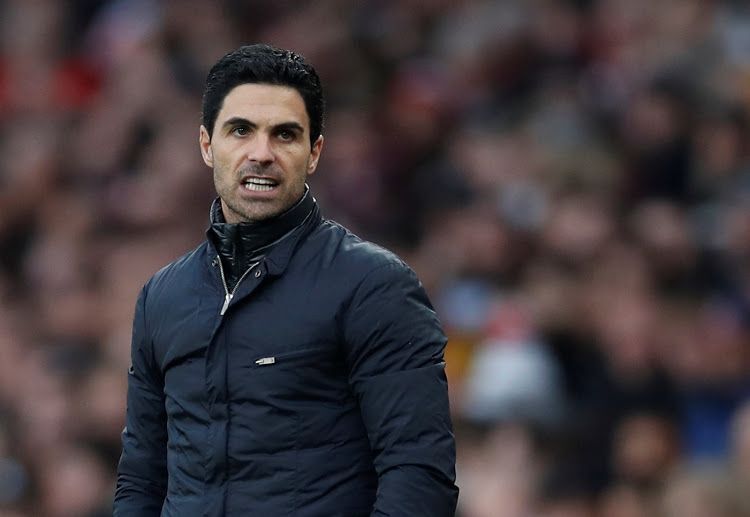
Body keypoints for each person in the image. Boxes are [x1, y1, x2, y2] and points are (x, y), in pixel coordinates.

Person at [113, 43, 458, 516]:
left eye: (285, 135)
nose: (262, 153)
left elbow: (418, 475)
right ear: (207, 145)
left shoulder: (374, 287)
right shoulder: (162, 297)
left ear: (314, 153)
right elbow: (140, 478)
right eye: (241, 130)